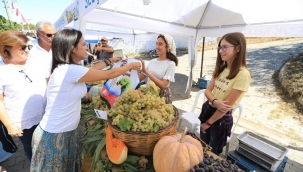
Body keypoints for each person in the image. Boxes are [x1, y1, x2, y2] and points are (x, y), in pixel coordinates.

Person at [30, 29, 141, 171]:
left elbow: (93, 69)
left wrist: (109, 60)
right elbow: (110, 74)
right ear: (72, 49)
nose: (86, 48)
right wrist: (131, 66)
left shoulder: (68, 68)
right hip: (54, 135)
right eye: (83, 44)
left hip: (65, 132)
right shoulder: (68, 70)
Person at [198, 32, 251, 155]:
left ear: (238, 48)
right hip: (208, 110)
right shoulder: (222, 68)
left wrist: (208, 123)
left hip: (219, 119)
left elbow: (224, 108)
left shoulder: (243, 74)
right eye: (220, 47)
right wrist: (215, 101)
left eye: (225, 47)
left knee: (212, 153)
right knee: (201, 146)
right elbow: (207, 90)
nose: (220, 51)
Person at [0, 31, 48, 161]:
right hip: (24, 121)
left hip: (46, 113)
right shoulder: (2, 70)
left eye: (29, 47)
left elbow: (47, 82)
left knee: (49, 145)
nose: (27, 50)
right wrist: (9, 125)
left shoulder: (36, 62)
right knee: (33, 150)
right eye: (23, 47)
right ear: (6, 48)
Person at [139, 34, 178, 104]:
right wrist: (131, 68)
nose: (157, 46)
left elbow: (163, 85)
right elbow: (141, 77)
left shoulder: (171, 64)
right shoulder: (152, 61)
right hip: (150, 95)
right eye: (156, 43)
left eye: (160, 44)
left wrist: (148, 73)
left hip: (162, 97)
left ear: (167, 47)